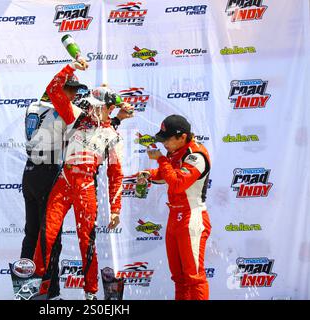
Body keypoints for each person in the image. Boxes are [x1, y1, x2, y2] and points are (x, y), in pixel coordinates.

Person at [21, 59, 132, 299]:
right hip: (64, 181)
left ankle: (91, 293)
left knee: (86, 241)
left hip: (85, 187)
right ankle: (40, 292)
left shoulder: (113, 135)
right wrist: (71, 67)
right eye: (101, 105)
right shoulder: (77, 117)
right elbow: (53, 90)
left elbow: (116, 174)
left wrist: (115, 210)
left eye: (106, 108)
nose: (103, 110)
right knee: (46, 236)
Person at [138, 114, 211, 300]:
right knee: (179, 278)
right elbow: (166, 174)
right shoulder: (176, 152)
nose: (164, 144)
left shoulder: (196, 155)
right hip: (175, 217)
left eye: (167, 139)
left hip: (191, 217)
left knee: (194, 278)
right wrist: (148, 174)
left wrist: (160, 160)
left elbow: (177, 182)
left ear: (182, 137)